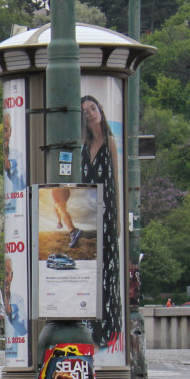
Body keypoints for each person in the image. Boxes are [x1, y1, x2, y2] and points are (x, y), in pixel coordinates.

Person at [81, 93, 123, 356]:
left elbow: (116, 182)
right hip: (87, 214)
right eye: (85, 111)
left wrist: (117, 217)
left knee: (108, 271)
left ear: (100, 110)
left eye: (92, 108)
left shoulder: (109, 142)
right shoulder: (83, 145)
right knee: (91, 271)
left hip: (106, 214)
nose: (90, 113)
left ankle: (108, 328)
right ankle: (91, 328)